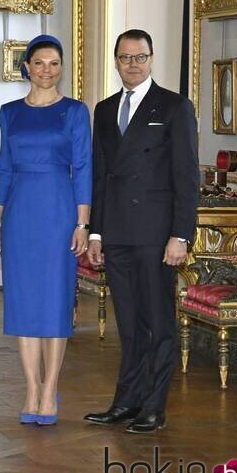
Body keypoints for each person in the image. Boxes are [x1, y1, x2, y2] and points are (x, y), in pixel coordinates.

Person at [83, 29, 199, 434]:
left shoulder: (174, 106)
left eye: (140, 57)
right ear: (116, 61)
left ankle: (154, 406)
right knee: (129, 325)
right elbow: (100, 176)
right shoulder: (105, 108)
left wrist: (180, 235)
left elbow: (186, 176)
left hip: (156, 234)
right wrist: (96, 233)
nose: (132, 64)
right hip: (115, 233)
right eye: (125, 57)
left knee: (159, 324)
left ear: (152, 59)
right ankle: (126, 402)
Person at [0, 35, 92, 426]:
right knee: (24, 302)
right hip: (19, 214)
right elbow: (3, 170)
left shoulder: (75, 112)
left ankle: (50, 389)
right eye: (40, 63)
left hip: (59, 211)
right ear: (27, 67)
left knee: (54, 301)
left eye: (54, 63)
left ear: (61, 68)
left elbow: (83, 168)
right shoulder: (9, 112)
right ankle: (30, 386)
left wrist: (82, 222)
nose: (47, 70)